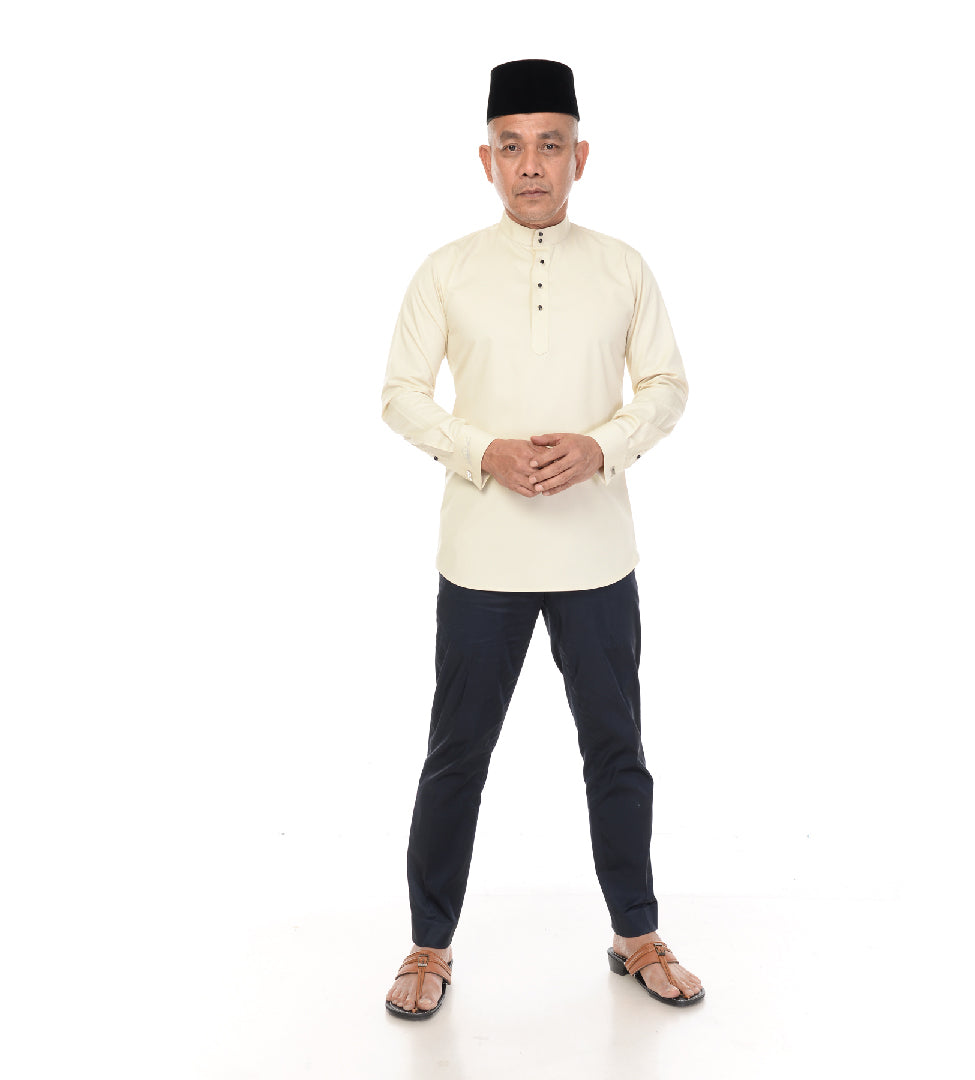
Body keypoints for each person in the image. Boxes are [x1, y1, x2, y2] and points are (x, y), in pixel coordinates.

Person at [381, 59, 702, 1019]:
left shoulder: (623, 267)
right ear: (486, 160)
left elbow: (667, 387)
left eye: (550, 145)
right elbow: (400, 394)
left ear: (580, 157)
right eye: (512, 146)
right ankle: (428, 944)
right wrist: (481, 451)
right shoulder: (446, 270)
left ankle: (636, 932)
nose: (531, 165)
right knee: (456, 754)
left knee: (617, 751)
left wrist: (601, 447)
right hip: (481, 556)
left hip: (595, 555)